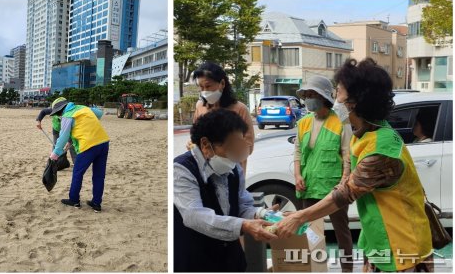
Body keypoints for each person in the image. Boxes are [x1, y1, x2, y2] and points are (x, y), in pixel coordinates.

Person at [276, 58, 433, 272]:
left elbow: (346, 193)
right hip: (380, 243)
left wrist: (298, 216)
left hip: (402, 248)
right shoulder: (365, 133)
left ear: (356, 101)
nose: (334, 98)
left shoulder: (380, 148)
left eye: (338, 92)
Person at [174, 109, 278, 272]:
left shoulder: (233, 167)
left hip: (230, 260)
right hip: (196, 261)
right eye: (232, 146)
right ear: (206, 145)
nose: (238, 152)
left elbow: (242, 204)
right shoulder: (181, 169)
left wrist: (264, 215)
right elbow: (194, 215)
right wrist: (244, 225)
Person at [293, 75, 354, 272]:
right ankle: (316, 267)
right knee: (310, 231)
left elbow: (347, 153)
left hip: (333, 187)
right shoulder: (303, 123)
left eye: (313, 94)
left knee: (341, 231)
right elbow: (298, 151)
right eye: (307, 95)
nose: (309, 98)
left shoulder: (340, 122)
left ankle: (347, 269)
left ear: (323, 96)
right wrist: (297, 175)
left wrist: (344, 181)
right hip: (309, 185)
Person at [189, 62, 255, 173]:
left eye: (208, 86)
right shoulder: (200, 107)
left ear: (222, 83)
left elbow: (248, 146)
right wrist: (192, 145)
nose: (205, 91)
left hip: (232, 170)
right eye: (201, 87)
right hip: (205, 170)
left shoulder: (240, 109)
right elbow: (195, 138)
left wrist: (223, 153)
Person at [49, 99, 109, 213]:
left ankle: (74, 200)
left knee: (77, 173)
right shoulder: (83, 108)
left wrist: (55, 153)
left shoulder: (67, 115)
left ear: (61, 110)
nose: (59, 115)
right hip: (103, 142)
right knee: (99, 175)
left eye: (57, 113)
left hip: (88, 145)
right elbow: (99, 114)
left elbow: (63, 136)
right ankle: (96, 203)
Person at [36, 97, 76, 163]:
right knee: (56, 145)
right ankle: (54, 162)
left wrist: (69, 141)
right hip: (56, 129)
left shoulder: (70, 112)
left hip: (68, 130)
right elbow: (43, 112)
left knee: (71, 146)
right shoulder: (53, 109)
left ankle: (75, 162)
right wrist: (39, 122)